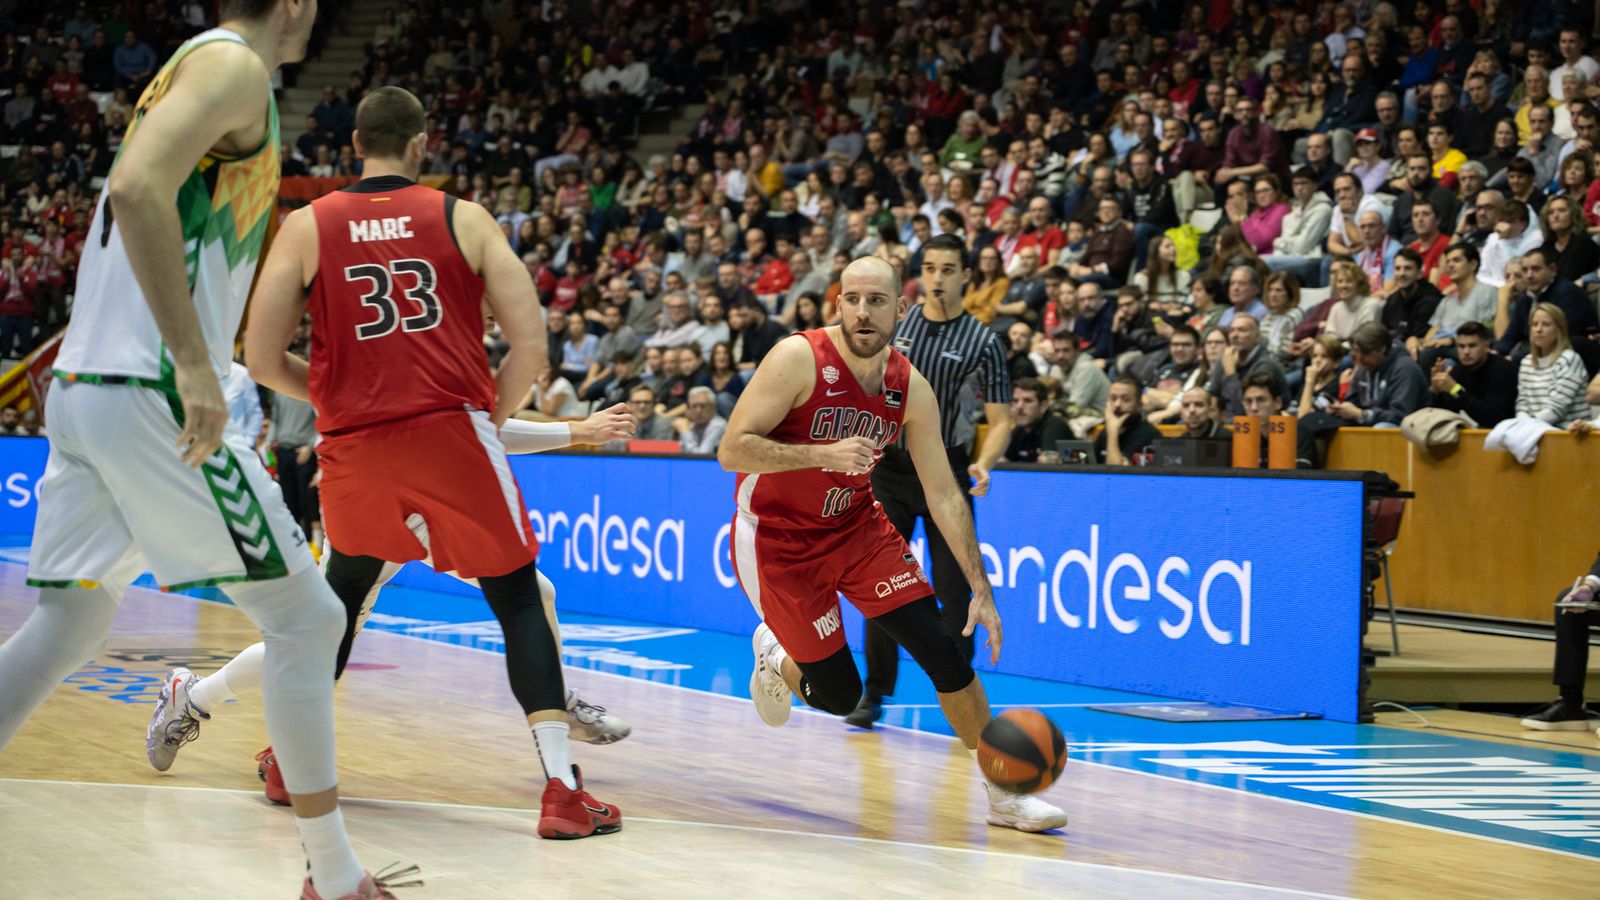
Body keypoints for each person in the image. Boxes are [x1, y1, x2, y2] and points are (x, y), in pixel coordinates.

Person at [0, 7, 392, 899]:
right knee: (309, 620)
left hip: (90, 387)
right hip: (152, 394)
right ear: (292, 2)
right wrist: (190, 362)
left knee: (72, 620)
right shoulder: (234, 67)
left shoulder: (188, 68)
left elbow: (144, 202)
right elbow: (139, 189)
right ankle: (334, 878)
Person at [240, 86, 621, 843]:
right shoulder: (463, 216)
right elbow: (532, 343)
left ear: (355, 144)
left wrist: (330, 396)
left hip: (354, 442)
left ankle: (291, 760)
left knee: (341, 597)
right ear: (421, 146)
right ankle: (559, 791)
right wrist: (491, 416)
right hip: (449, 431)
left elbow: (255, 352)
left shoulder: (308, 225)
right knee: (515, 596)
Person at [718, 255, 1067, 833]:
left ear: (899, 310)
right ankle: (776, 655)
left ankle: (1005, 794)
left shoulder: (911, 387)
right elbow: (733, 448)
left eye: (876, 301)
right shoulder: (798, 358)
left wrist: (980, 588)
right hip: (778, 543)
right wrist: (819, 454)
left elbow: (945, 494)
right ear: (838, 304)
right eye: (852, 299)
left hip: (857, 530)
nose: (862, 312)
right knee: (838, 693)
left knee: (942, 648)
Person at [852, 235, 1013, 729]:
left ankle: (958, 691)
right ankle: (875, 693)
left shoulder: (984, 341)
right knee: (880, 584)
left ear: (966, 276)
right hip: (892, 468)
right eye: (929, 267)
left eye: (947, 269)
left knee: (955, 592)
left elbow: (1001, 419)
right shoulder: (899, 326)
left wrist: (985, 461)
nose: (937, 278)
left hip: (947, 467)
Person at [1427, 321, 1516, 427]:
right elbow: (1444, 416)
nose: (1466, 352)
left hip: (1502, 433)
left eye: (1472, 346)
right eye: (1461, 346)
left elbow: (1492, 417)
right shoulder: (1458, 370)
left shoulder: (1503, 369)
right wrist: (1436, 391)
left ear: (1486, 346)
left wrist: (1455, 389)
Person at [1514, 304, 1590, 428]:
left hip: (1569, 434)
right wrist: (1523, 425)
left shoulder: (1569, 359)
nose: (1538, 329)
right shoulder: (1526, 362)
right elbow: (1522, 404)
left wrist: (1528, 428)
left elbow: (1557, 408)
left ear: (1559, 330)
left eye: (1546, 324)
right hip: (1534, 432)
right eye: (1535, 324)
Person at [1095, 375, 1162, 465]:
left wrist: (1113, 434)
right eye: (1113, 398)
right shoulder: (1105, 433)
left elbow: (1118, 474)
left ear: (1139, 406)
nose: (1117, 404)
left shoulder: (1149, 435)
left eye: (1125, 399)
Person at [1004, 377, 1072, 462]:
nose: (1019, 406)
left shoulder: (1055, 426)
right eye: (1015, 401)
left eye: (1027, 401)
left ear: (1043, 406)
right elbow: (1003, 462)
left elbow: (1048, 467)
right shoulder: (1019, 430)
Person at [676, 384, 727, 453]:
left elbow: (701, 457)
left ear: (713, 407)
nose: (698, 411)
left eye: (703, 406)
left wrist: (685, 432)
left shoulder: (718, 425)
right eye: (694, 406)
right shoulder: (693, 425)